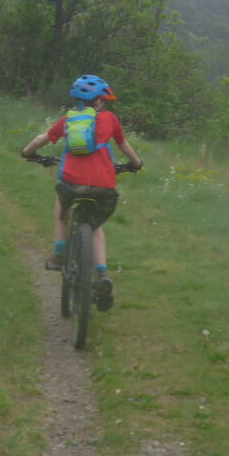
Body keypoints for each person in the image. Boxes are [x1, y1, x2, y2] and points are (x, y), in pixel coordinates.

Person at [20, 74, 142, 312]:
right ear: (98, 102)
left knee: (61, 204)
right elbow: (124, 146)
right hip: (104, 187)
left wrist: (27, 153)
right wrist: (136, 164)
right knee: (95, 227)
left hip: (71, 183)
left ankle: (59, 251)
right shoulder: (110, 119)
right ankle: (101, 274)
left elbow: (41, 140)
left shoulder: (68, 120)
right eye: (103, 100)